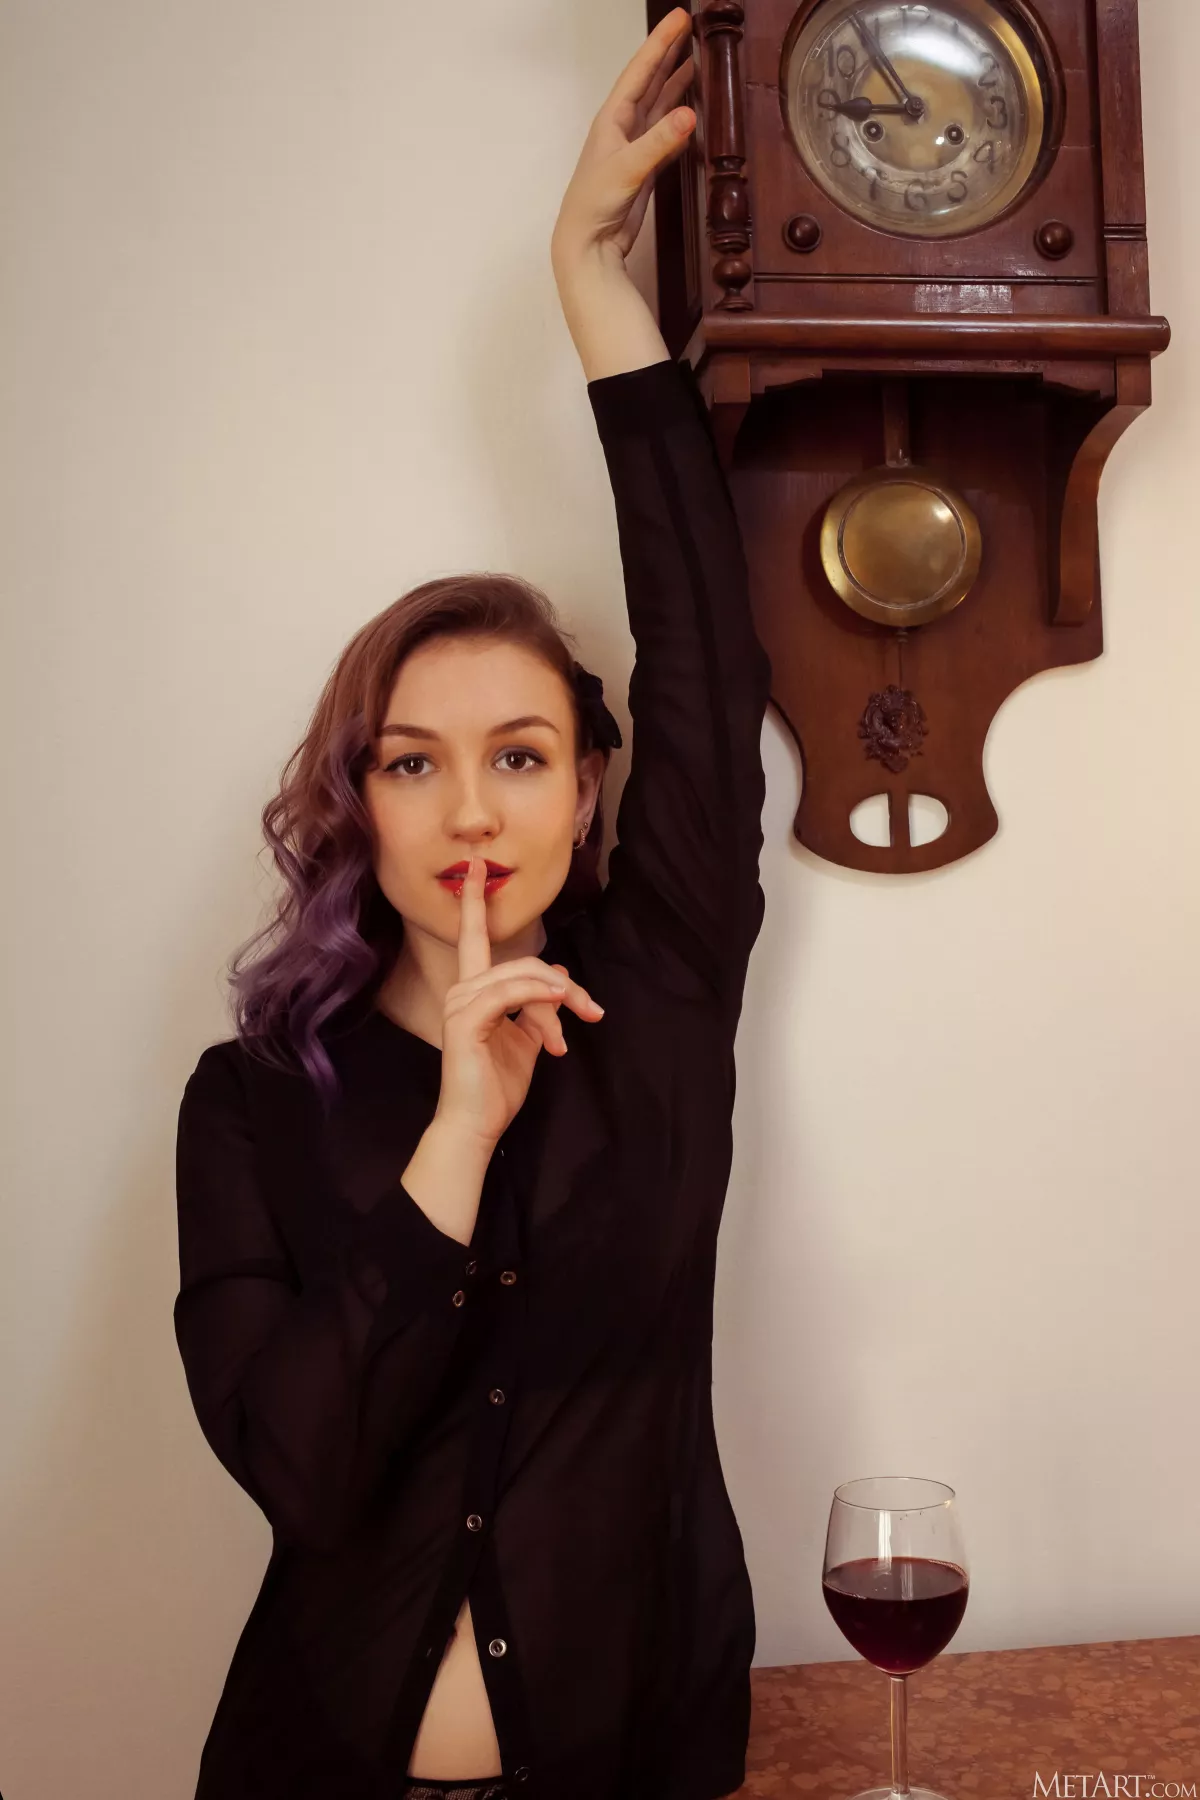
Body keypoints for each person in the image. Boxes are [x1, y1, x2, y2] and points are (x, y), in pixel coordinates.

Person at [171, 10, 772, 1798]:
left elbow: (706, 652)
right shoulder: (250, 1106)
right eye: (412, 762)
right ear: (356, 800)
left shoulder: (663, 991)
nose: (472, 809)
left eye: (519, 755)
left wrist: (589, 283)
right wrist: (452, 1140)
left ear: (587, 789)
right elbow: (303, 1473)